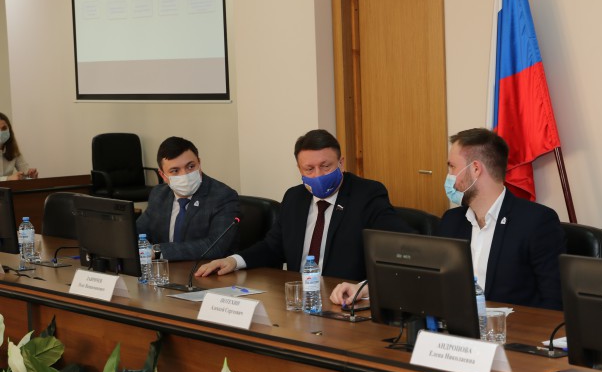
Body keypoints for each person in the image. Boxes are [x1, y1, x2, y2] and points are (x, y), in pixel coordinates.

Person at [331, 128, 565, 310]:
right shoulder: (452, 221)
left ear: (475, 169)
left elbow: (555, 304)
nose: (449, 176)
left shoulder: (536, 222)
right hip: (456, 336)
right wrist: (365, 289)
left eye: (452, 167)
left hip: (511, 340)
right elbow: (423, 279)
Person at [195, 129, 412, 281]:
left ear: (341, 163)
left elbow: (400, 245)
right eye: (309, 169)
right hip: (300, 298)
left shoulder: (366, 195)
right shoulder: (294, 198)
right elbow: (273, 247)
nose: (318, 175)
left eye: (326, 166)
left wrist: (364, 289)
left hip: (344, 299)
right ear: (299, 170)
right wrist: (234, 261)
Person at [136, 136, 239, 261]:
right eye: (175, 170)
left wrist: (157, 252)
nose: (185, 175)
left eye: (190, 166)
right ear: (163, 175)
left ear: (199, 163)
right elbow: (137, 232)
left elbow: (215, 246)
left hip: (204, 269)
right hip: (164, 270)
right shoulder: (159, 194)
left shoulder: (223, 196)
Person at [0, 113, 37, 181]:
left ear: (9, 130)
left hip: (9, 188)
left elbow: (25, 171)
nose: (1, 132)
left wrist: (30, 175)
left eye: (4, 128)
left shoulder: (13, 150)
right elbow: (10, 179)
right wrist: (8, 178)